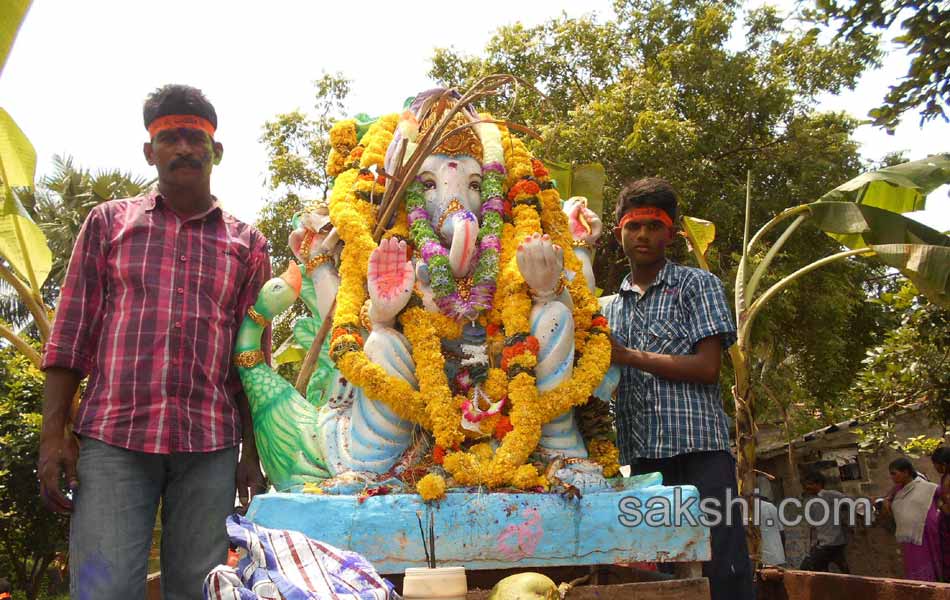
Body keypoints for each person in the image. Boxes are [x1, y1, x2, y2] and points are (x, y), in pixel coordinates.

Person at [37, 84, 271, 599]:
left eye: (195, 137)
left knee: (203, 589)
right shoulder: (107, 225)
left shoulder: (248, 245)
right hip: (115, 440)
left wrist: (253, 453)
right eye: (170, 138)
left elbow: (252, 360)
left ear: (216, 151)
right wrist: (54, 434)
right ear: (150, 151)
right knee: (105, 589)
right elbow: (70, 335)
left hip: (208, 445)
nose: (184, 148)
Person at [603, 177, 754, 600]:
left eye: (654, 225)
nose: (644, 235)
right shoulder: (609, 307)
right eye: (634, 226)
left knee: (721, 561)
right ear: (620, 234)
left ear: (670, 233)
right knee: (667, 568)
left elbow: (708, 368)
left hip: (700, 447)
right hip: (645, 455)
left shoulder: (695, 285)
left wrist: (630, 356)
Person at [882, 457, 942, 582]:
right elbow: (888, 499)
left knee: (930, 564)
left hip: (926, 534)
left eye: (894, 474)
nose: (892, 477)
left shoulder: (927, 487)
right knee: (914, 565)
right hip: (909, 537)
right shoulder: (897, 491)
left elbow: (943, 497)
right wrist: (886, 500)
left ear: (906, 472)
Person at [799, 470, 850, 573]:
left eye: (809, 484)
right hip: (824, 542)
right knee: (829, 570)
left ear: (818, 484)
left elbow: (850, 502)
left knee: (806, 568)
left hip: (831, 543)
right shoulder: (813, 501)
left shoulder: (830, 495)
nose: (806, 487)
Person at [931, 447, 950, 582]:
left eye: (936, 465)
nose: (935, 468)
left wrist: (940, 506)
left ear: (943, 464)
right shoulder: (945, 477)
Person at [754, 493, 787, 567]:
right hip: (774, 555)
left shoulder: (744, 508)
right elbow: (781, 531)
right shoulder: (770, 506)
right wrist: (783, 551)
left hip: (758, 556)